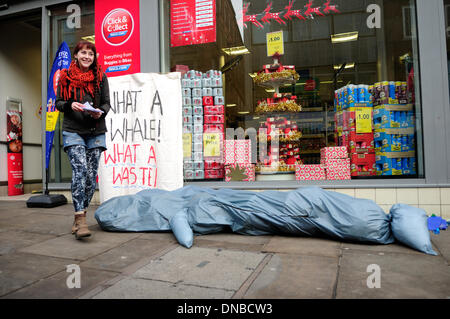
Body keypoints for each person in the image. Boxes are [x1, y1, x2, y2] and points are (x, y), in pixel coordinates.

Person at [56, 40, 110, 240]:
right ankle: (81, 219)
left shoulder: (100, 77)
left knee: (90, 177)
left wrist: (100, 113)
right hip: (73, 131)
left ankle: (80, 215)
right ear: (76, 55)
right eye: (83, 53)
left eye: (91, 53)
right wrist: (71, 105)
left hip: (95, 131)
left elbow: (106, 103)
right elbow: (59, 102)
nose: (87, 56)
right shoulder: (65, 77)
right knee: (81, 170)